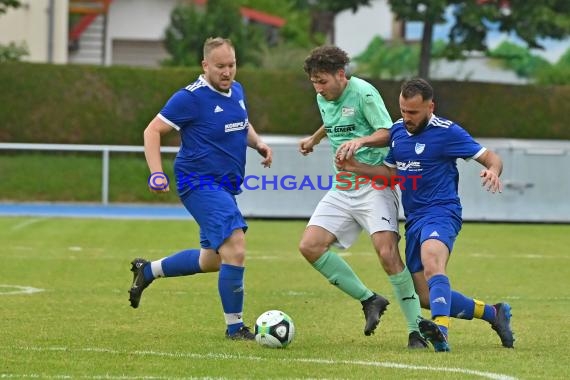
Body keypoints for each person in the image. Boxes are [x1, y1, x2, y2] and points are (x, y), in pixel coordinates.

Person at [336, 77, 514, 352]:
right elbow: (392, 175)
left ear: (431, 107)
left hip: (442, 212)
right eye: (403, 111)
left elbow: (492, 157)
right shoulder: (397, 132)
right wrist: (355, 167)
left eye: (413, 113)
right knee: (426, 296)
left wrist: (492, 170)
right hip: (415, 219)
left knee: (433, 263)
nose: (406, 118)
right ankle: (494, 313)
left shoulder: (448, 132)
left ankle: (440, 332)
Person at [128, 37, 273, 341]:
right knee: (235, 246)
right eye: (220, 66)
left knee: (214, 259)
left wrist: (258, 143)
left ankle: (148, 270)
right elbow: (152, 130)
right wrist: (156, 172)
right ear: (206, 65)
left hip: (225, 185)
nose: (227, 71)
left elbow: (242, 124)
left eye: (231, 65)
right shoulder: (189, 98)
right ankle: (235, 328)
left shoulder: (237, 91)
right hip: (199, 183)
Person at [298, 45, 427, 349]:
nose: (318, 88)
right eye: (314, 82)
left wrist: (361, 141)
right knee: (310, 246)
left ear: (341, 75)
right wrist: (314, 139)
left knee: (386, 252)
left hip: (374, 185)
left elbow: (388, 131)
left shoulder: (364, 93)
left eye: (323, 81)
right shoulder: (323, 96)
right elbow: (333, 122)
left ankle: (416, 330)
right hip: (343, 187)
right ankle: (370, 300)